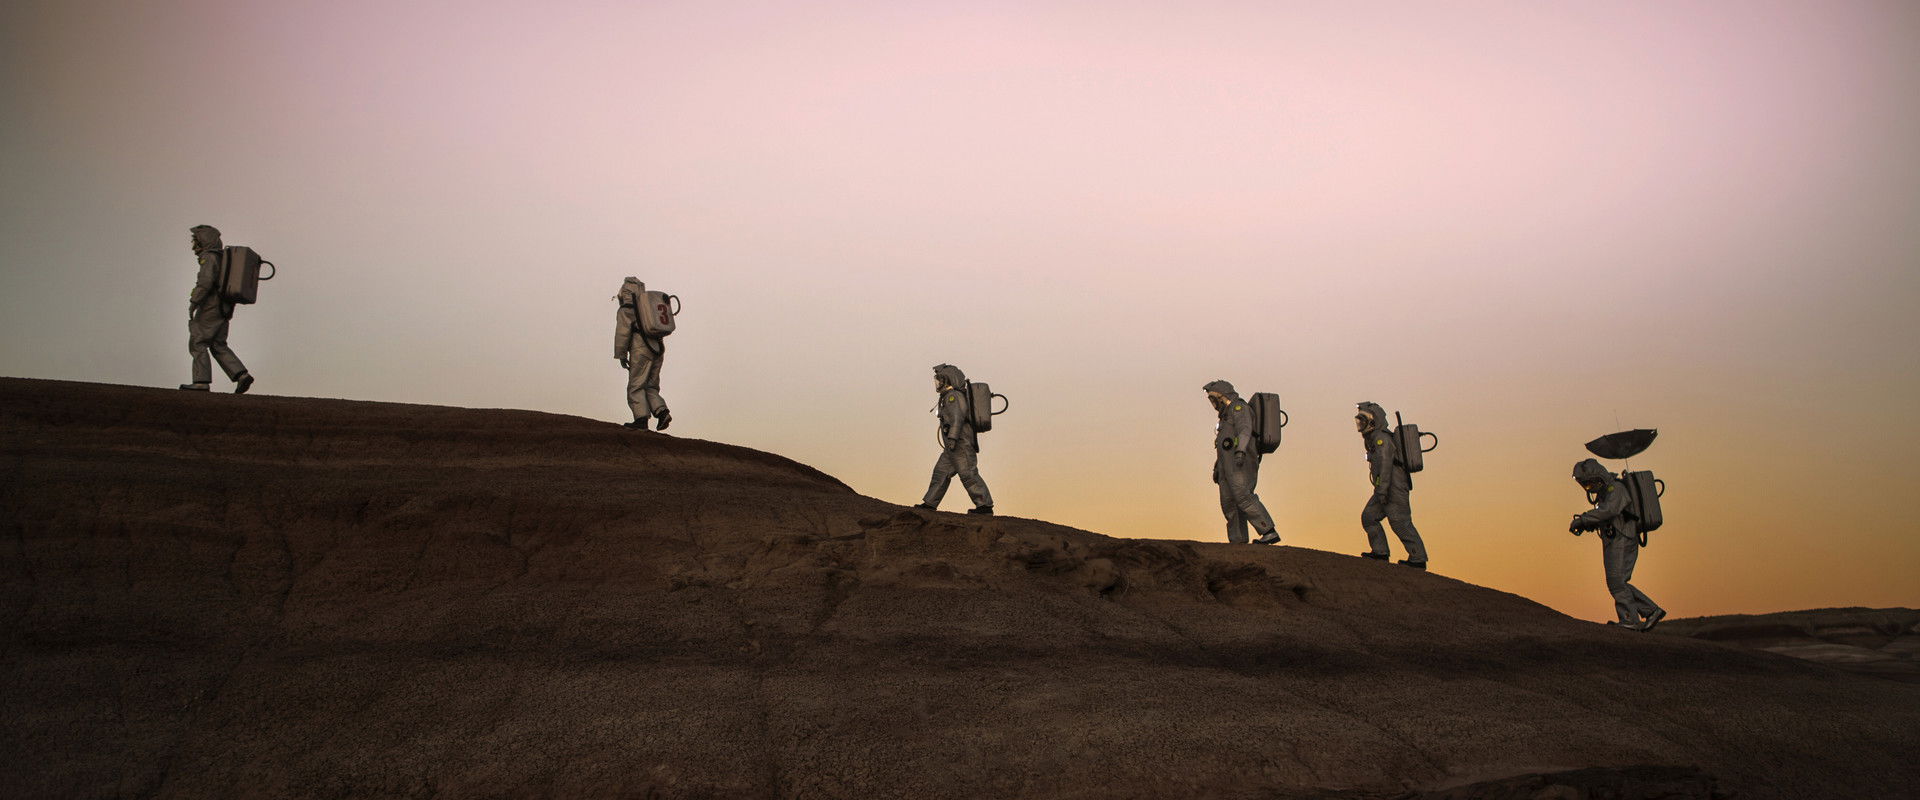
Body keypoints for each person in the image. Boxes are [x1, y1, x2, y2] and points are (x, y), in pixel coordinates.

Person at [1570, 458, 1666, 631]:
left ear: (1599, 477)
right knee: (1617, 582)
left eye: (1591, 483)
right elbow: (1606, 516)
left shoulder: (1617, 489)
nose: (1589, 488)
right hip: (1614, 539)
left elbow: (1610, 511)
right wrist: (1587, 525)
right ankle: (1650, 610)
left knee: (1616, 582)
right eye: (1587, 485)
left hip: (1623, 538)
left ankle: (1630, 619)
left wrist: (1584, 519)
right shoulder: (1606, 494)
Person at [179, 225, 252, 394]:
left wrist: (194, 301)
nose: (194, 246)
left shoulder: (209, 258)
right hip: (224, 306)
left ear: (204, 241)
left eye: (196, 242)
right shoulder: (223, 258)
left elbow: (205, 282)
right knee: (218, 343)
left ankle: (200, 381)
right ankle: (241, 374)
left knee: (198, 341)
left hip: (211, 305)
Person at [1205, 380, 1279, 544]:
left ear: (1221, 396)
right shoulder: (1225, 418)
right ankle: (1237, 540)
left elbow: (1245, 430)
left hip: (1240, 461)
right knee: (1229, 502)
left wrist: (1241, 451)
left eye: (1213, 399)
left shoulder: (1239, 408)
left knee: (1243, 496)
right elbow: (1223, 445)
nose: (1213, 404)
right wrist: (1218, 467)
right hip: (1227, 464)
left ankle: (1268, 530)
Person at [914, 364, 993, 514]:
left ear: (948, 379)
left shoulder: (953, 397)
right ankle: (930, 503)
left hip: (959, 444)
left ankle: (985, 506)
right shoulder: (948, 397)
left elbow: (957, 418)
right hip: (952, 447)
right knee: (940, 473)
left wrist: (953, 438)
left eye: (940, 380)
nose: (938, 383)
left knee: (968, 474)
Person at [1355, 402, 1426, 568]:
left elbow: (1385, 465)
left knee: (1400, 521)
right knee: (1369, 517)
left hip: (1393, 488)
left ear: (1372, 420)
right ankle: (1380, 552)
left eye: (1362, 420)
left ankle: (1418, 558)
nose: (1360, 425)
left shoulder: (1382, 439)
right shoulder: (1373, 440)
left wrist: (1382, 490)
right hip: (1383, 488)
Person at [614, 276, 670, 430]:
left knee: (636, 386)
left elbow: (622, 333)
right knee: (651, 386)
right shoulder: (648, 307)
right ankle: (662, 411)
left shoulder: (627, 310)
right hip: (658, 348)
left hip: (641, 349)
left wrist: (621, 354)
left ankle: (641, 419)